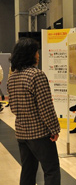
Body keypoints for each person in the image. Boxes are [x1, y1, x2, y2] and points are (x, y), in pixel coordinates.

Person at [7, 38, 61, 185]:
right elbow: (46, 108)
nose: (38, 55)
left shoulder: (12, 78)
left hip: (21, 132)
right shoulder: (36, 75)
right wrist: (55, 128)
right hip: (39, 133)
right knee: (51, 170)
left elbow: (13, 107)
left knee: (28, 170)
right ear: (29, 55)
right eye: (36, 52)